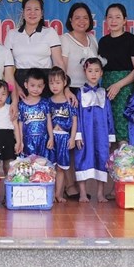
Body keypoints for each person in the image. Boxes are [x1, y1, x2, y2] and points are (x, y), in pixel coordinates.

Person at [98, 3, 134, 147]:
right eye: (110, 17)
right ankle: (109, 159)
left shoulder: (133, 40)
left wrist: (118, 85)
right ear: (106, 19)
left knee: (123, 125)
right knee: (107, 124)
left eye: (118, 17)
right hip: (107, 89)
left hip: (126, 88)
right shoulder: (103, 42)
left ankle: (125, 158)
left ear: (125, 20)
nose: (113, 21)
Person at [73, 58, 115, 202]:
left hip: (101, 133)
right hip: (85, 133)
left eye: (97, 71)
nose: (93, 74)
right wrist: (78, 134)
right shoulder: (79, 92)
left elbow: (109, 115)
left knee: (102, 159)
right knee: (82, 158)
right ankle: (83, 193)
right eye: (90, 71)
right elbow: (76, 115)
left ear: (101, 73)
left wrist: (110, 136)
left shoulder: (104, 93)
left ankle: (100, 193)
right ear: (84, 72)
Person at [5, 0, 65, 95]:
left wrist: (63, 90)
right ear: (23, 13)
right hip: (20, 84)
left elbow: (58, 63)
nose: (32, 13)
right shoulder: (12, 34)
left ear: (42, 13)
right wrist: (16, 88)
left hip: (44, 83)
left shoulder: (50, 32)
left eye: (36, 9)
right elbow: (7, 68)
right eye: (28, 9)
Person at [47, 67, 77, 203]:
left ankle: (58, 194)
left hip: (64, 137)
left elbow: (75, 120)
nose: (54, 86)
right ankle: (50, 194)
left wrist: (72, 138)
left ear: (65, 83)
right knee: (50, 166)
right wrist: (49, 137)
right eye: (51, 83)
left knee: (61, 167)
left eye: (58, 82)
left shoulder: (69, 101)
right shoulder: (48, 102)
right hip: (51, 138)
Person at [60, 2, 99, 93]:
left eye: (85, 18)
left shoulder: (92, 38)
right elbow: (61, 68)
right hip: (71, 90)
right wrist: (65, 89)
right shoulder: (65, 39)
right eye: (77, 18)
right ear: (70, 20)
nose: (82, 21)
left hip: (92, 90)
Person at [18, 68, 53, 159]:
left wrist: (51, 137)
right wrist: (20, 141)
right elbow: (20, 125)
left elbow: (49, 121)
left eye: (39, 86)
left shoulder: (45, 103)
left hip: (43, 140)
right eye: (32, 85)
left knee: (43, 164)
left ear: (43, 86)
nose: (35, 89)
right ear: (26, 85)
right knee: (28, 164)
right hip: (27, 141)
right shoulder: (21, 105)